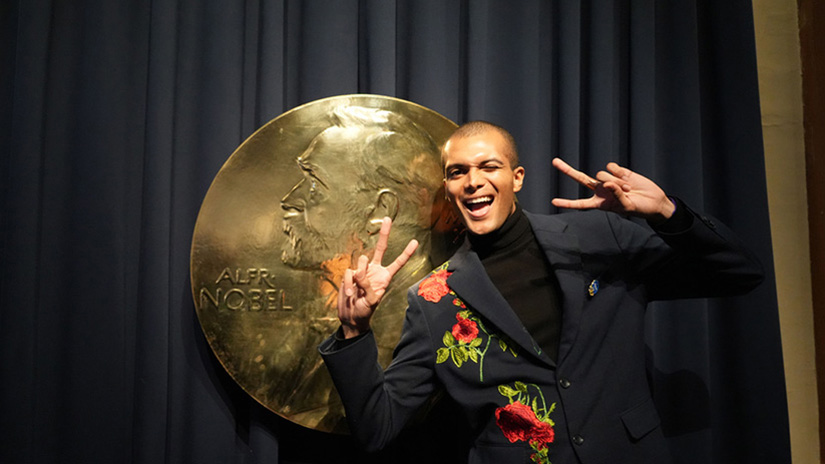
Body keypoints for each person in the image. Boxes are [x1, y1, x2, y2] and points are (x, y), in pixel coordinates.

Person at [319, 121, 763, 463]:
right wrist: (354, 331)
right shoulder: (434, 299)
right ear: (449, 188)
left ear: (517, 177)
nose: (472, 180)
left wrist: (668, 213)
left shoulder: (600, 238)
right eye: (458, 172)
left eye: (488, 166)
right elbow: (378, 427)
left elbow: (739, 274)